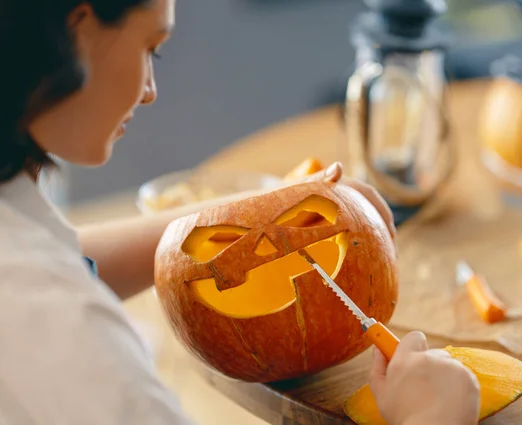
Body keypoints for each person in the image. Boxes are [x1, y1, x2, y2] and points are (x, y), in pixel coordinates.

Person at [0, 0, 480, 424]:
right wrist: (431, 416)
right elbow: (52, 285)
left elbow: (72, 260)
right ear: (77, 30)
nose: (150, 89)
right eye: (151, 47)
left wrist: (259, 211)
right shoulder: (59, 315)